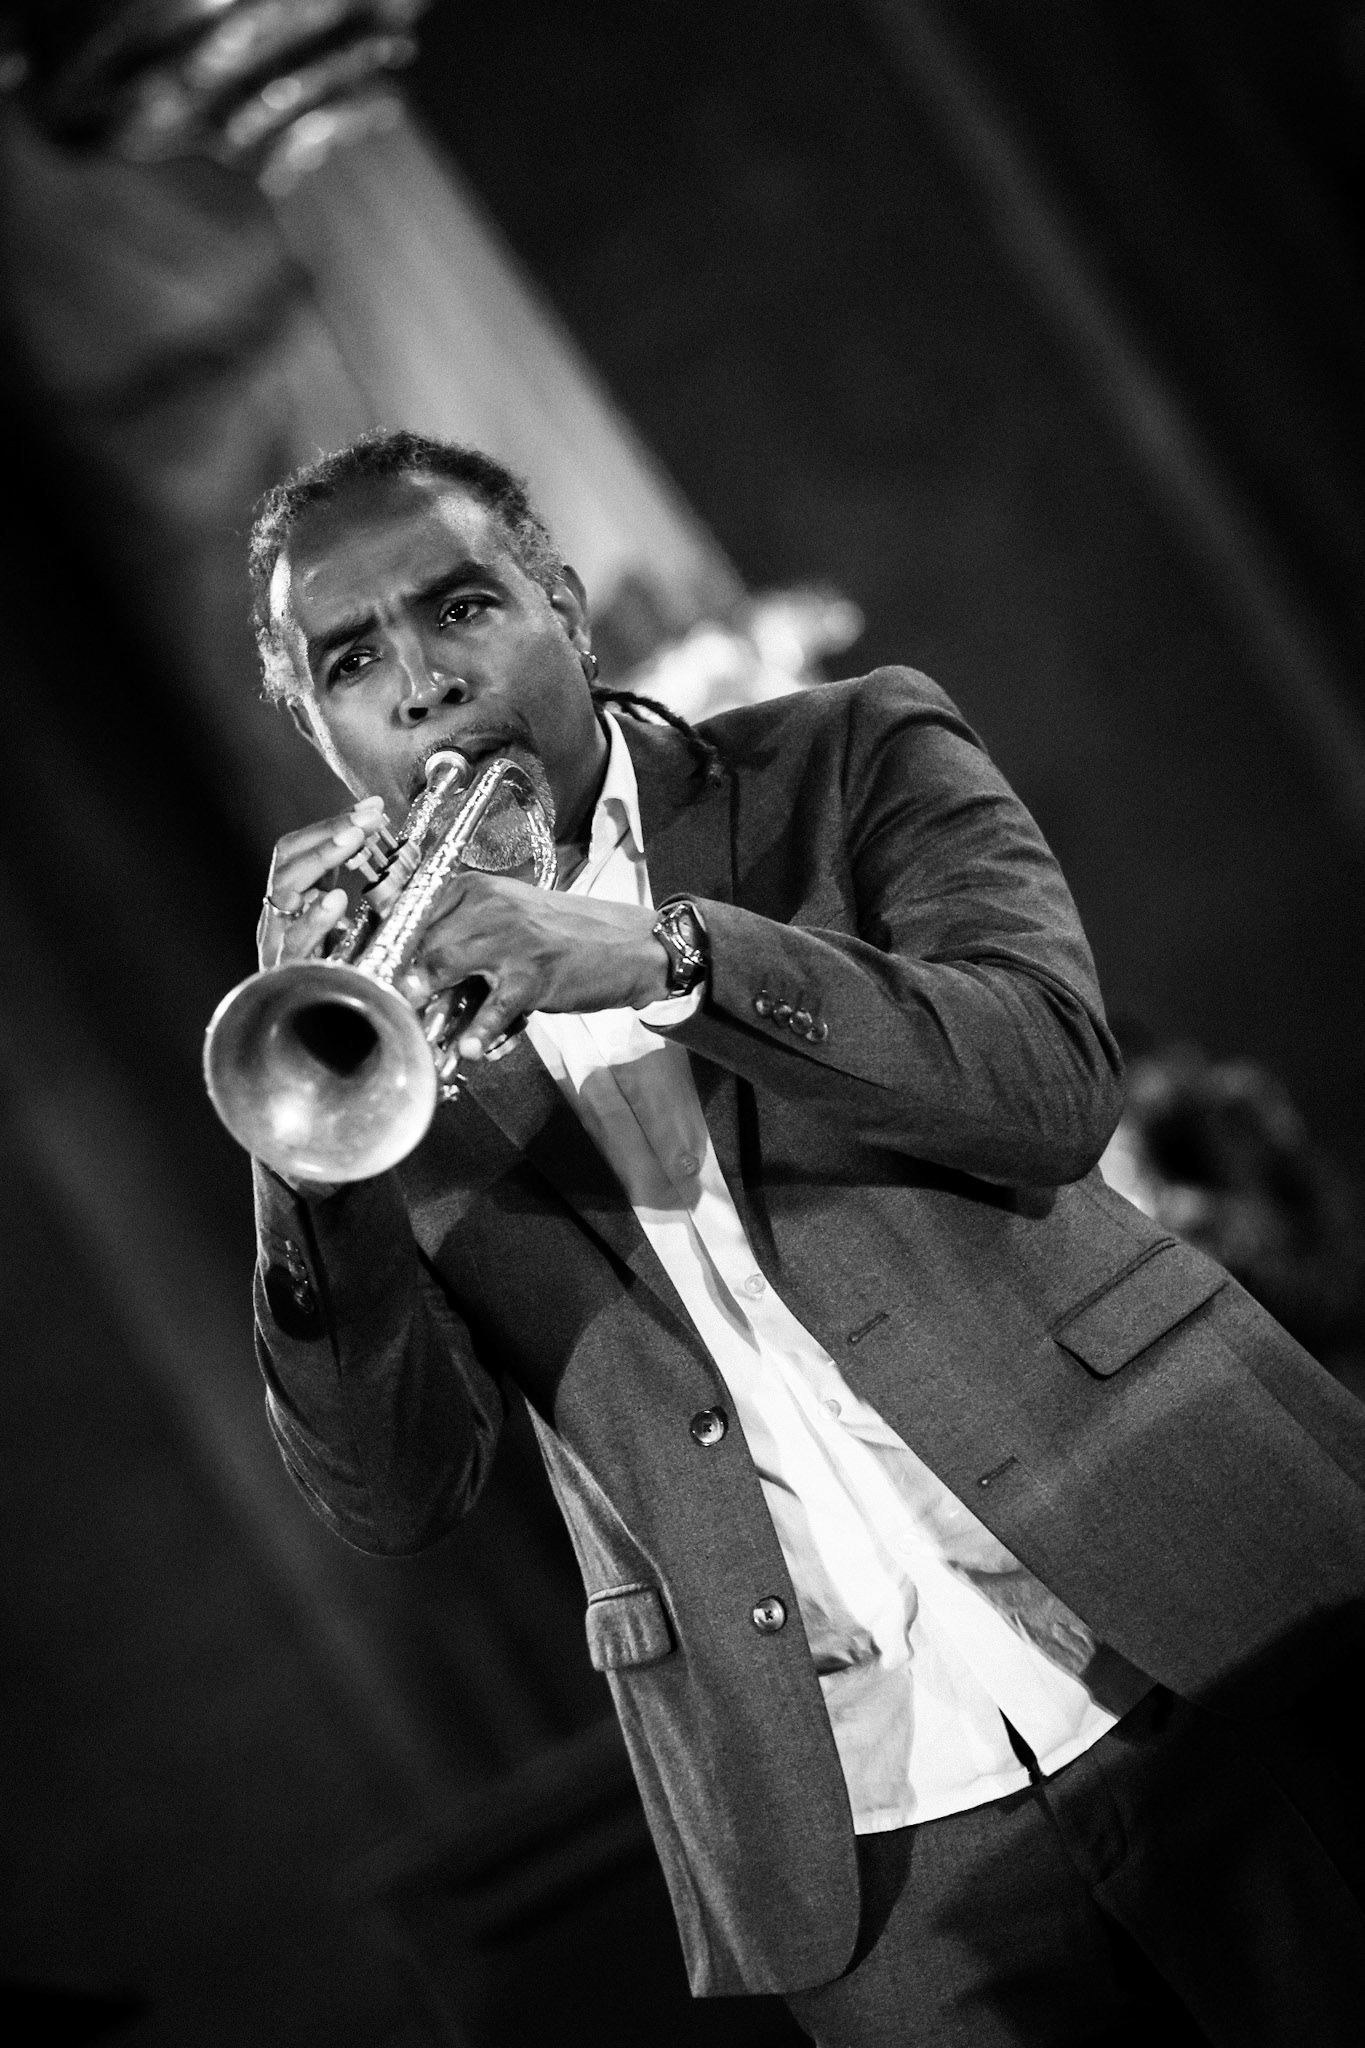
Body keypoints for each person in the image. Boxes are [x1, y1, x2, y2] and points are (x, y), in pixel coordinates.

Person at [245, 430, 1365, 2047]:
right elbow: (395, 1490)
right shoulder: (359, 1018)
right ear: (316, 726)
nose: (417, 679)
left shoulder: (847, 756)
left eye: (460, 607)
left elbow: (1045, 1084)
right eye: (352, 660)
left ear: (559, 601)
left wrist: (663, 954)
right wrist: (307, 1162)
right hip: (860, 1843)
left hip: (1205, 1622)